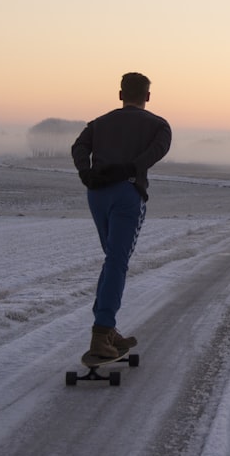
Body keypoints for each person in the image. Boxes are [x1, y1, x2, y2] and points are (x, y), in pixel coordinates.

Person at [71, 72, 172, 359]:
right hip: (127, 194)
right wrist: (130, 168)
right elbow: (155, 152)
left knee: (112, 259)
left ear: (120, 94)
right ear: (148, 96)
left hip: (97, 194)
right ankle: (102, 333)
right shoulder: (159, 125)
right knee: (117, 261)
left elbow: (79, 146)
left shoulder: (99, 123)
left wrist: (85, 172)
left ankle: (107, 329)